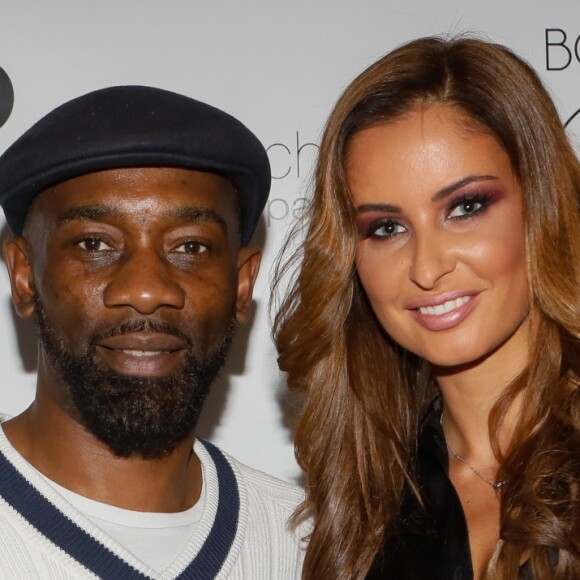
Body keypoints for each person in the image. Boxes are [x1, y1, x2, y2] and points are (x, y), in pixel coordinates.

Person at [274, 36, 580, 579]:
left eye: (465, 207)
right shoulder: (366, 509)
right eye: (386, 228)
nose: (426, 266)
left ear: (543, 206)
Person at [0, 85, 306, 579]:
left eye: (190, 247)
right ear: (24, 275)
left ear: (242, 284)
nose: (145, 291)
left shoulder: (312, 548)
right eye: (94, 242)